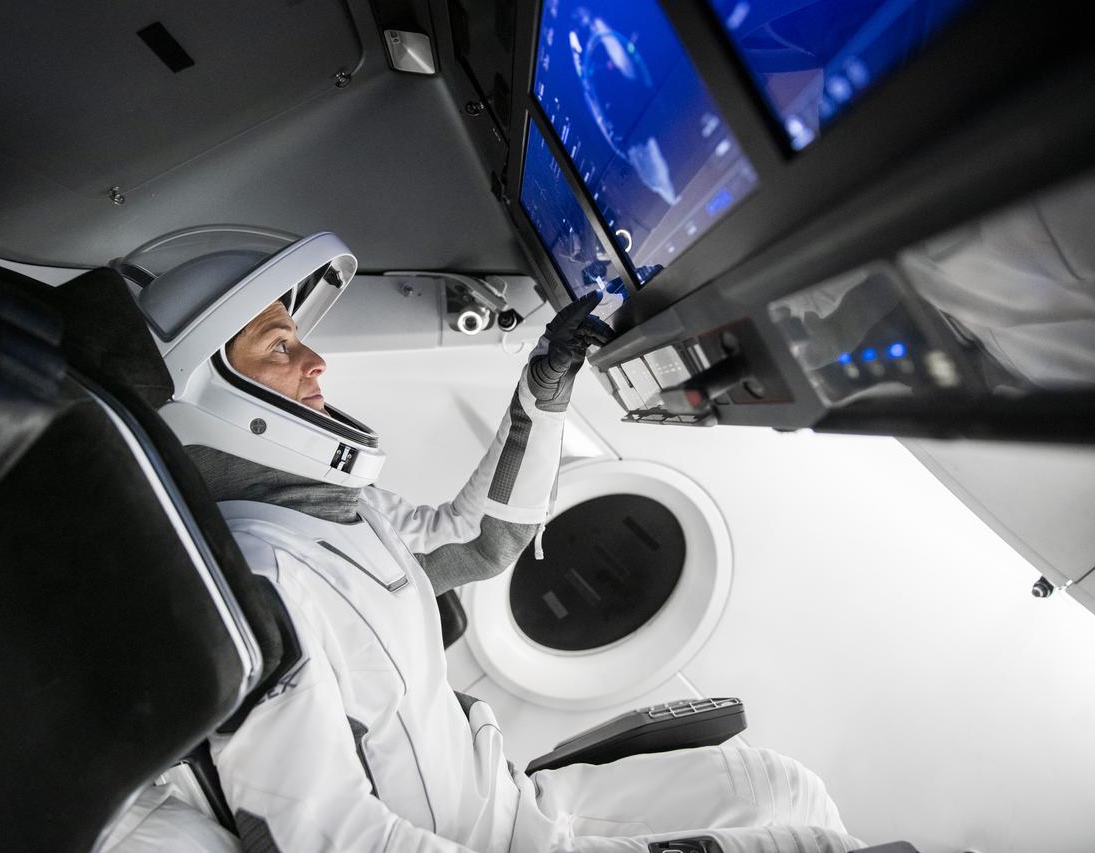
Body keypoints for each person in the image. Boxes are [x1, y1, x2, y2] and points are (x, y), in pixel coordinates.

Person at [116, 227, 865, 852]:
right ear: (203, 386)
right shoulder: (254, 580)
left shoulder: (334, 509)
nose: (316, 363)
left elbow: (481, 539)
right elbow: (324, 833)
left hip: (514, 801)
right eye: (280, 347)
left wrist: (542, 395)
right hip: (480, 841)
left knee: (784, 785)